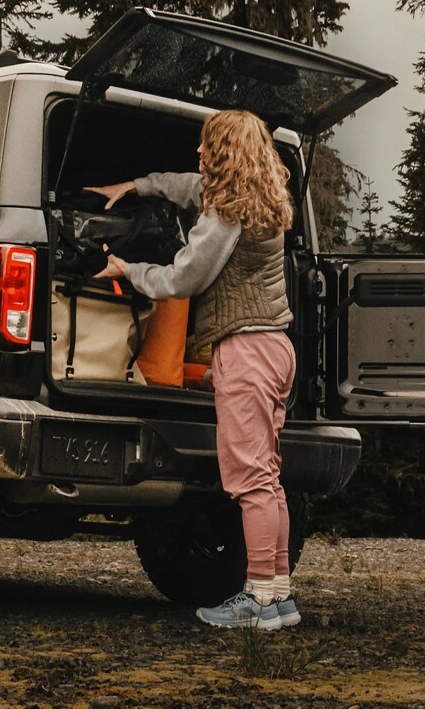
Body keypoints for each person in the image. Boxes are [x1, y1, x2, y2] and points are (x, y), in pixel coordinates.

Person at [88, 109, 301, 630]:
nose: (201, 154)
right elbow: (190, 186)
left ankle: (257, 600)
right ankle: (278, 597)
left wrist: (128, 270)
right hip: (277, 348)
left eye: (208, 146)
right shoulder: (264, 199)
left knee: (249, 482)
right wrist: (138, 185)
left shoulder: (225, 217)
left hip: (246, 354)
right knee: (268, 481)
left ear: (225, 152)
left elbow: (183, 278)